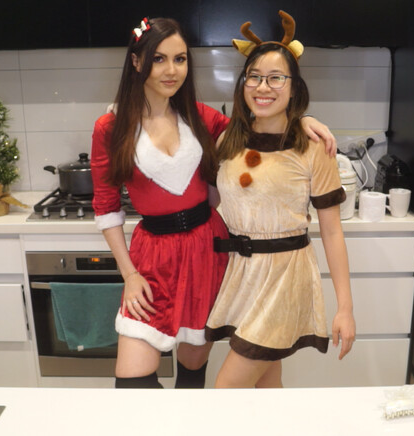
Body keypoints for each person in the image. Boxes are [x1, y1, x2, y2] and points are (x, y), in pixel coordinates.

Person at [91, 16, 337, 389]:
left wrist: (302, 120)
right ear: (137, 62)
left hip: (207, 252)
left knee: (193, 377)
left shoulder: (200, 117)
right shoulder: (110, 128)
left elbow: (259, 128)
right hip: (151, 259)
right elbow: (107, 207)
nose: (171, 70)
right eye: (159, 59)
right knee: (132, 385)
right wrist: (130, 275)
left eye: (180, 59)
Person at [205, 11, 356, 388]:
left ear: (293, 86)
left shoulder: (314, 147)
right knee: (266, 387)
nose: (263, 86)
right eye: (254, 76)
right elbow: (210, 203)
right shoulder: (227, 141)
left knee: (226, 389)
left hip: (285, 277)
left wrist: (345, 308)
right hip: (242, 276)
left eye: (276, 77)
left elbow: (332, 231)